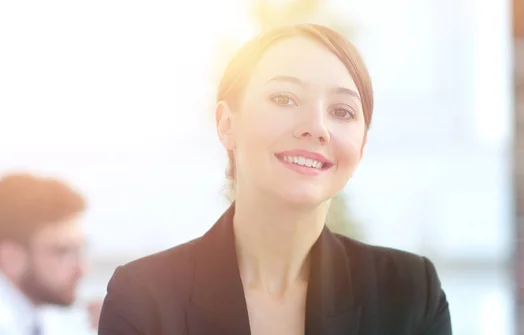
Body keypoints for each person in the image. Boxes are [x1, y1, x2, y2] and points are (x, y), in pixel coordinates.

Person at [98, 23, 452, 334]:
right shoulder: (143, 298)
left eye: (342, 111)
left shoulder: (410, 294)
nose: (316, 127)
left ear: (360, 147)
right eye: (284, 98)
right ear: (226, 124)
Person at [0, 173, 88, 335]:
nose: (81, 269)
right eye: (62, 252)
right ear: (10, 258)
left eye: (79, 250)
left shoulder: (49, 317)